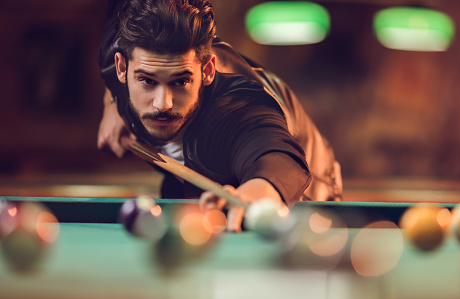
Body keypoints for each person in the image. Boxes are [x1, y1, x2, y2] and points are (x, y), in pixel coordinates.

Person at [97, 0, 342, 231]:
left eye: (180, 81)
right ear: (121, 68)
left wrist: (260, 189)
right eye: (147, 81)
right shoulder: (114, 54)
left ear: (207, 70)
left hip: (302, 204)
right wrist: (113, 101)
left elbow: (279, 157)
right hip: (194, 179)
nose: (163, 104)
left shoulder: (237, 107)